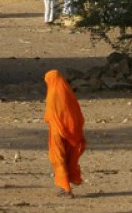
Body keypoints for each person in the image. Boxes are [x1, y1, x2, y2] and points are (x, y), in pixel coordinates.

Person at [44, 70, 86, 198]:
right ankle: (65, 186)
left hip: (58, 132)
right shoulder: (68, 93)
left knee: (59, 159)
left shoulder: (52, 94)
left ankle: (66, 189)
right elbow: (77, 114)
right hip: (72, 132)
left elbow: (51, 115)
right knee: (68, 158)